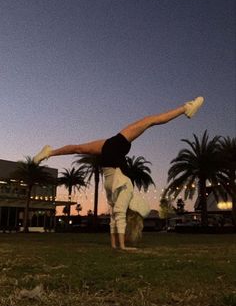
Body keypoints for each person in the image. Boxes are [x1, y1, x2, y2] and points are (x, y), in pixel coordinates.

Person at [33, 96, 204, 250]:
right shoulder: (119, 194)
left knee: (150, 120)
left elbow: (119, 216)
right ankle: (49, 153)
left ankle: (185, 108)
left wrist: (121, 247)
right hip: (110, 165)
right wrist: (116, 245)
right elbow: (116, 217)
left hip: (115, 158)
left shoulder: (125, 191)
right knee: (80, 148)